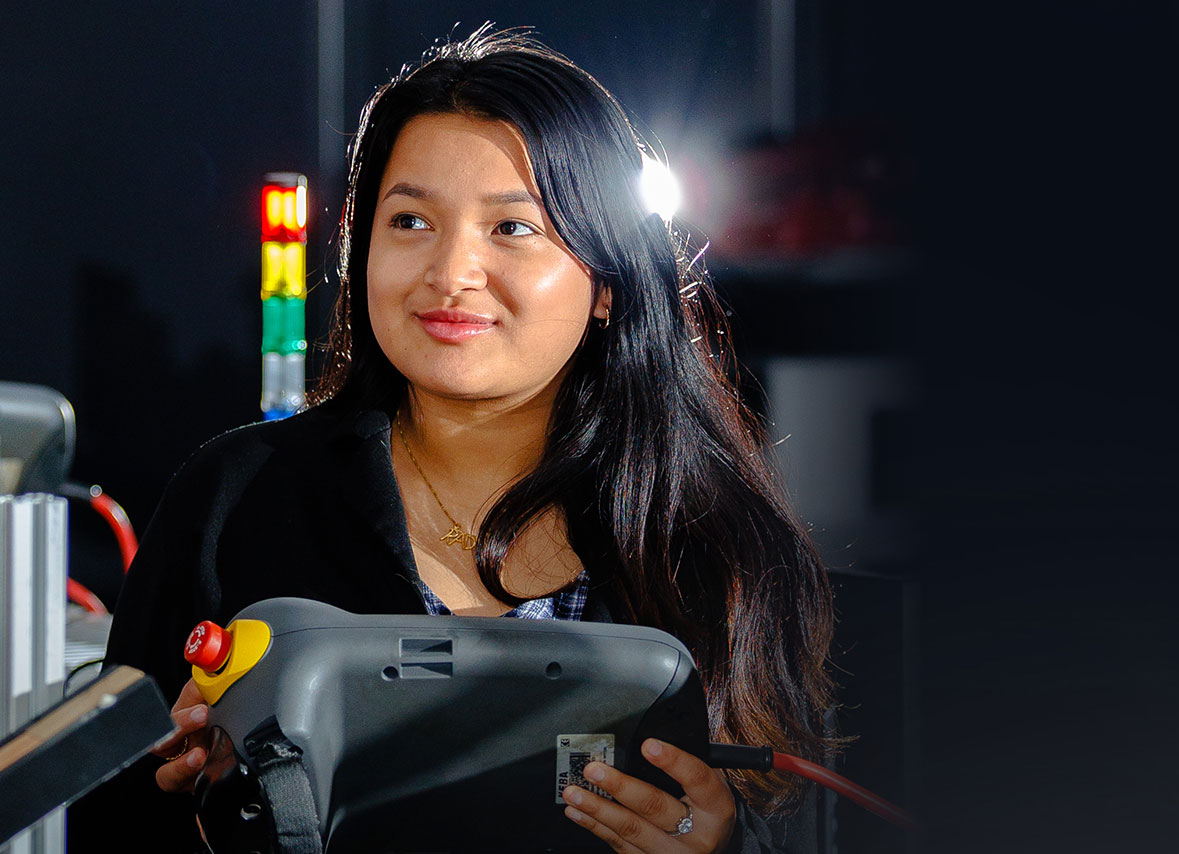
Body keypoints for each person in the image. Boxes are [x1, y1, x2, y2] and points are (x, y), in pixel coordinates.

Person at [66, 26, 838, 854]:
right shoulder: (237, 499)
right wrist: (186, 798)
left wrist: (728, 845)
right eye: (410, 221)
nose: (450, 272)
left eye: (512, 229)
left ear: (607, 282)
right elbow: (107, 817)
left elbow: (811, 826)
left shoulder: (717, 542)